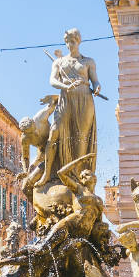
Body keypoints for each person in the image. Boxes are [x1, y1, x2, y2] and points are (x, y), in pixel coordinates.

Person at [40, 28, 100, 185]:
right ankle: (47, 173)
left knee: (81, 138)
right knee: (55, 132)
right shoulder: (58, 62)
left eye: (73, 42)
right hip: (66, 98)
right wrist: (65, 86)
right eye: (68, 42)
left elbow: (95, 80)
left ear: (78, 42)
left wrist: (98, 86)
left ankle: (79, 178)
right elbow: (52, 80)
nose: (70, 45)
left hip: (84, 99)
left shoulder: (88, 61)